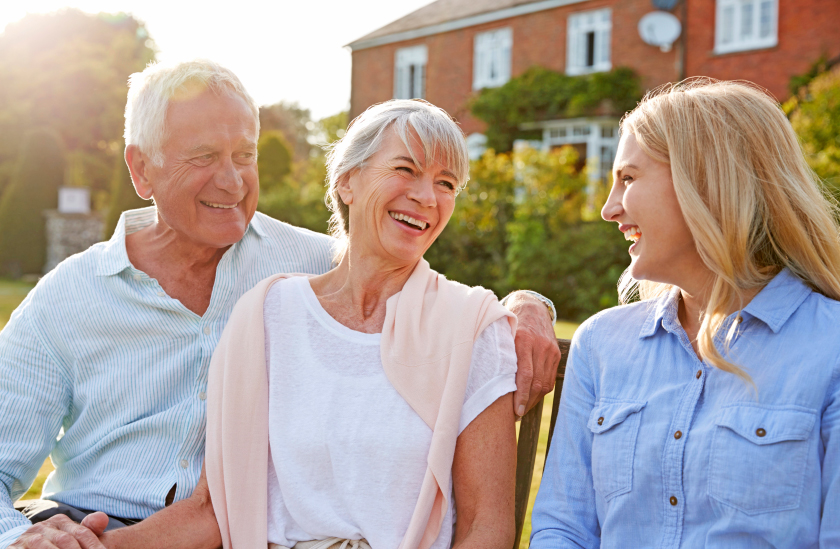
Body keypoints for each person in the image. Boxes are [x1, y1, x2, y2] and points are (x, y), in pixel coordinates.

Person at [0, 61, 561, 549]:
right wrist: (29, 539)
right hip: (91, 527)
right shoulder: (69, 296)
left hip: (224, 533)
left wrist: (528, 304)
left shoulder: (310, 268)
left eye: (245, 154)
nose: (232, 179)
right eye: (203, 156)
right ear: (141, 169)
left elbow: (416, 279)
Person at [530, 79, 840, 547]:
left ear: (707, 182)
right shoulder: (601, 343)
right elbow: (563, 527)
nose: (608, 209)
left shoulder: (829, 348)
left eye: (628, 179)